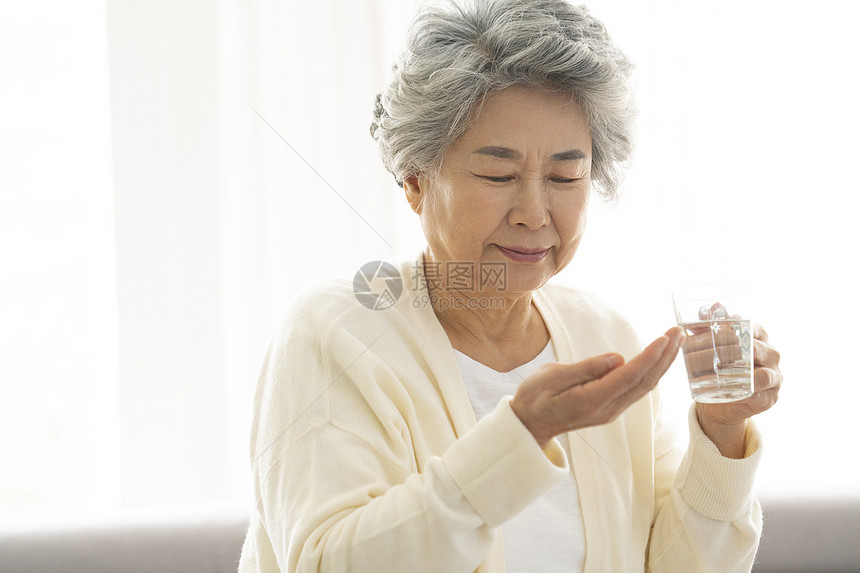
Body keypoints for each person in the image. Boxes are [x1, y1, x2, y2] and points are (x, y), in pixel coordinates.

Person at [237, 0, 782, 571]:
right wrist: (523, 433)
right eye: (498, 174)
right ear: (416, 181)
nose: (533, 212)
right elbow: (329, 562)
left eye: (565, 176)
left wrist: (722, 432)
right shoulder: (336, 334)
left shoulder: (604, 335)